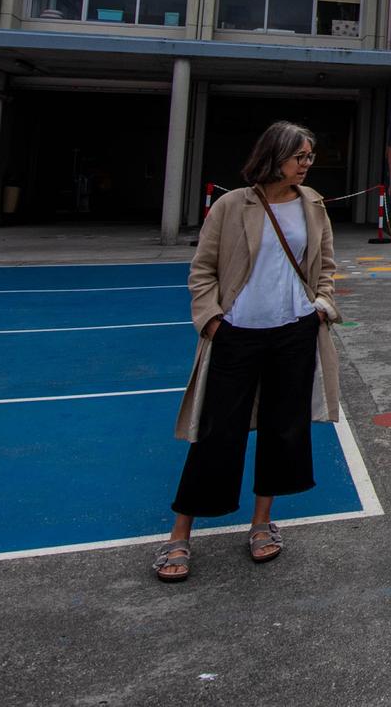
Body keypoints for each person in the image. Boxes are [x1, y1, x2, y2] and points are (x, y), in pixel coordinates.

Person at [155, 121, 341, 582]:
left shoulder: (313, 204)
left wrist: (321, 305)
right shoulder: (231, 205)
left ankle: (262, 524)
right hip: (236, 333)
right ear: (274, 155)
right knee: (217, 431)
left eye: (309, 157)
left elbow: (327, 265)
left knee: (283, 429)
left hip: (294, 333)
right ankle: (180, 533)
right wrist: (213, 320)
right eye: (299, 156)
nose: (306, 164)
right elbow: (203, 270)